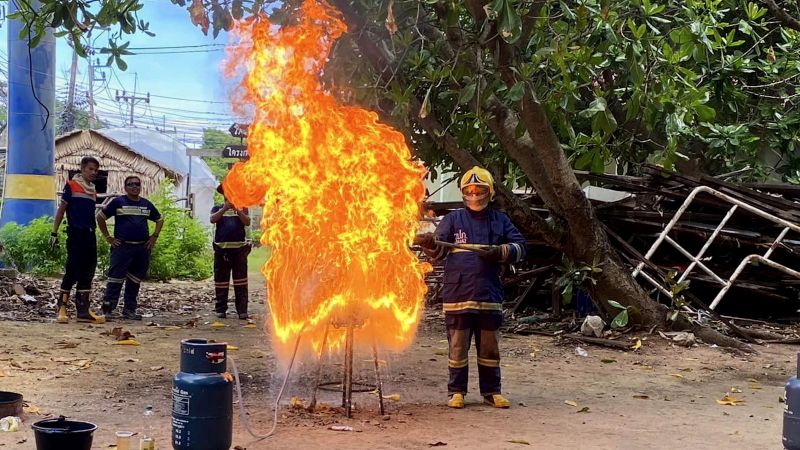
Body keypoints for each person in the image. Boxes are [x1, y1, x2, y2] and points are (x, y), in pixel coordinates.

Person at [415, 166, 527, 409]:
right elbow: (438, 252)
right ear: (464, 193)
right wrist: (429, 244)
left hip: (489, 293)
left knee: (489, 348)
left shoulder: (500, 220)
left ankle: (491, 392)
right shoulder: (453, 219)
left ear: (490, 193)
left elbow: (521, 247)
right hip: (458, 294)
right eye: (470, 191)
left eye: (480, 191)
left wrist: (500, 251)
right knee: (457, 348)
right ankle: (456, 391)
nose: (475, 196)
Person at [96, 175, 164, 320]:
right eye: (131, 184)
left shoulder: (146, 204)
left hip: (142, 248)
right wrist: (108, 237)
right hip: (122, 248)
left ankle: (129, 310)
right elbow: (100, 217)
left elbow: (159, 219)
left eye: (137, 184)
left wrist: (154, 237)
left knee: (135, 280)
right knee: (115, 278)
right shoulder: (118, 202)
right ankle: (108, 309)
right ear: (125, 187)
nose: (134, 187)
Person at [50, 156, 106, 324]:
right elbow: (61, 210)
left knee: (88, 270)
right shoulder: (71, 185)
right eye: (91, 169)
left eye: (96, 170)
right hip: (75, 233)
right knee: (72, 269)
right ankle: (62, 307)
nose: (94, 173)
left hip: (90, 233)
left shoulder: (93, 189)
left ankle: (83, 310)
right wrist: (54, 232)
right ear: (82, 169)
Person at [210, 184, 251, 319]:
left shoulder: (243, 207)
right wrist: (224, 208)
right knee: (221, 281)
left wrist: (237, 210)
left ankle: (242, 311)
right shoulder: (217, 208)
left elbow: (247, 222)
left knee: (241, 282)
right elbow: (212, 219)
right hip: (222, 250)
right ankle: (221, 309)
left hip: (239, 250)